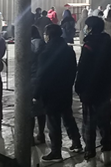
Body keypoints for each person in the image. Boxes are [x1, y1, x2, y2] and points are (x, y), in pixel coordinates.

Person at [35, 24, 82, 163]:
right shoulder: (68, 50)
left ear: (48, 36)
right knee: (67, 116)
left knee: (53, 123)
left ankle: (56, 152)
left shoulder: (45, 53)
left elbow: (41, 76)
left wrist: (36, 94)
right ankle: (77, 142)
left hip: (50, 92)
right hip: (65, 90)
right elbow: (74, 70)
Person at [75, 16, 111, 165]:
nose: (85, 29)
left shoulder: (89, 46)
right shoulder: (108, 45)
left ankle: (90, 158)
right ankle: (106, 155)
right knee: (105, 124)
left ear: (91, 28)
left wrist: (78, 88)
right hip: (105, 92)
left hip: (90, 93)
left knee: (89, 126)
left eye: (87, 26)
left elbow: (82, 70)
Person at [30, 25, 46, 145]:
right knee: (41, 110)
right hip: (41, 79)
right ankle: (41, 134)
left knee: (29, 111)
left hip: (30, 79)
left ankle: (29, 136)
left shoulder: (28, 46)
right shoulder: (44, 45)